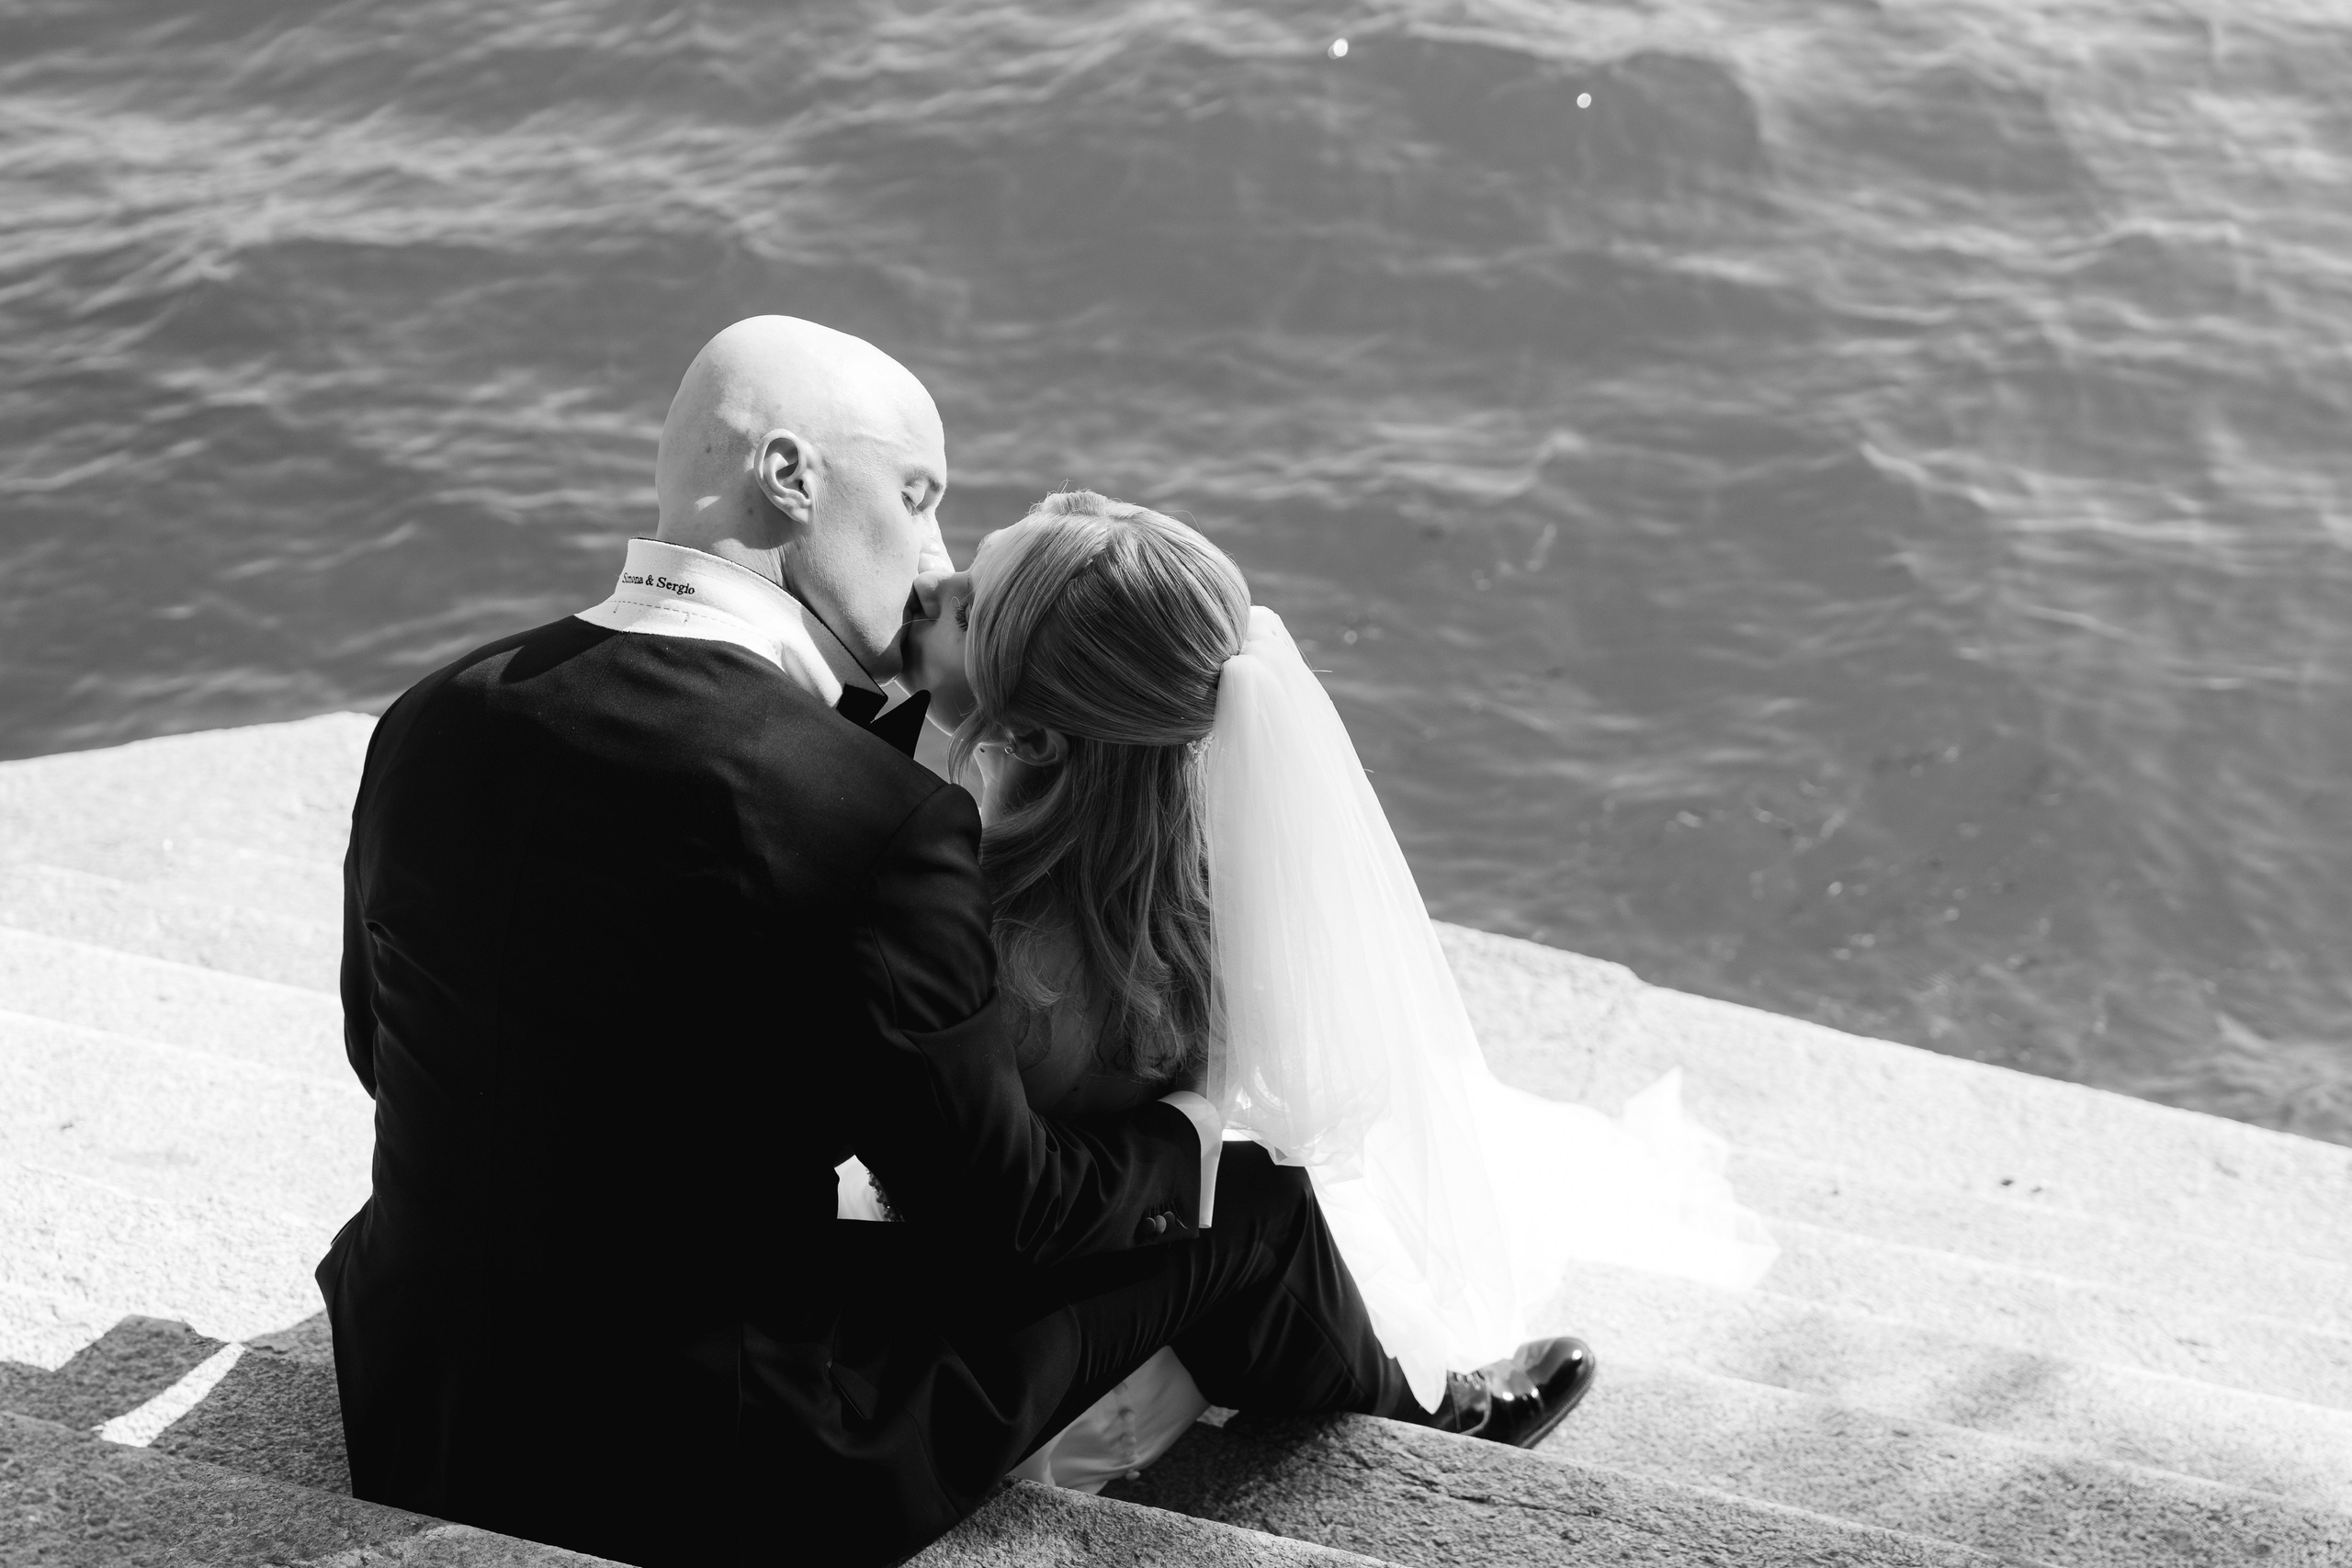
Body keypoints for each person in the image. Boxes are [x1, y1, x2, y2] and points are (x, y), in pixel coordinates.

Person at [321, 317, 1590, 1568]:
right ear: (789, 476)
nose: (934, 559)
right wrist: (1190, 1131)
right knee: (1250, 1207)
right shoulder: (869, 816)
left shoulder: (435, 712)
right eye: (918, 497)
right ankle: (1437, 1424)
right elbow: (1007, 1216)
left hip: (409, 1397)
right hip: (704, 1473)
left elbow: (381, 1049)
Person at [894, 492, 1779, 1492]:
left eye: (968, 605)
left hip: (1013, 1326)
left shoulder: (970, 917)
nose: (930, 584)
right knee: (1262, 1192)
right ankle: (1425, 1404)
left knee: (1261, 1203)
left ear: (1036, 741)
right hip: (1111, 1261)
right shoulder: (1206, 890)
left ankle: (1412, 1406)